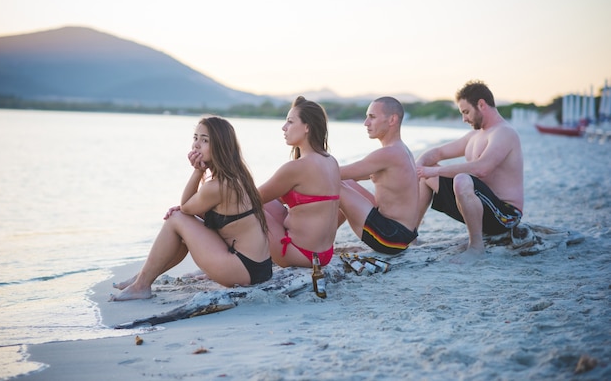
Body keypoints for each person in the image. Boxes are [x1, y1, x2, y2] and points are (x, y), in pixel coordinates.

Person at [110, 116, 272, 301]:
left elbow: (186, 207)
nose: (196, 145)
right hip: (258, 268)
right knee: (180, 223)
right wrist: (185, 213)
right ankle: (142, 277)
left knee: (177, 218)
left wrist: (198, 171)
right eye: (195, 138)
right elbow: (206, 215)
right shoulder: (237, 177)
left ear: (221, 146)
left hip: (243, 270)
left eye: (204, 140)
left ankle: (141, 284)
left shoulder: (218, 186)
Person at [415, 80, 524, 262]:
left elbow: (481, 168)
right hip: (479, 208)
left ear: (481, 105)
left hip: (505, 216)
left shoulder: (504, 133)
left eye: (466, 112)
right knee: (427, 173)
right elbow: (438, 152)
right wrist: (419, 167)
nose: (464, 119)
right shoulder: (474, 136)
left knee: (461, 179)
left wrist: (434, 172)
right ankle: (410, 235)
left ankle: (476, 247)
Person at [258, 96, 341, 268]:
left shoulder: (297, 167)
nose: (284, 127)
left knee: (246, 209)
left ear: (307, 127)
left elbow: (252, 199)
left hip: (298, 253)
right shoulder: (331, 161)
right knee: (266, 204)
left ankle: (233, 261)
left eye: (290, 122)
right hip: (324, 254)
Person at [337, 96, 419, 255]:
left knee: (334, 184)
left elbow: (336, 173)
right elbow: (352, 175)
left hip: (391, 238)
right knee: (345, 183)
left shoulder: (389, 153)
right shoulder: (401, 149)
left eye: (372, 117)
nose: (366, 123)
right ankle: (325, 242)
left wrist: (307, 169)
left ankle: (318, 246)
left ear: (392, 119)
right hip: (400, 235)